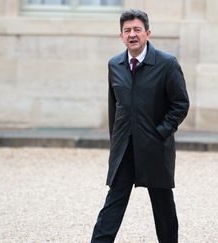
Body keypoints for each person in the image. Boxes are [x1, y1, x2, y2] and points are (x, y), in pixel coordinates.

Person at [91, 9, 189, 243]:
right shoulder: (115, 64)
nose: (132, 34)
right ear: (121, 36)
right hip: (124, 149)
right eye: (127, 30)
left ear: (148, 33)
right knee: (113, 202)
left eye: (137, 29)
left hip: (155, 147)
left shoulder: (167, 63)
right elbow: (114, 108)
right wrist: (116, 143)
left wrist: (161, 132)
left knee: (163, 205)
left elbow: (180, 103)